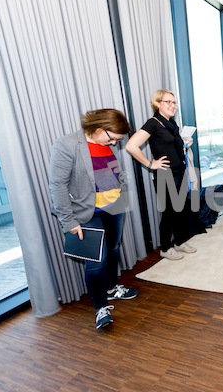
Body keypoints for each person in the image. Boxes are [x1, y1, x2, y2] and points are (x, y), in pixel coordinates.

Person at [49, 108, 138, 329]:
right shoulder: (67, 145)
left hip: (114, 206)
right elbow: (57, 185)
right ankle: (100, 307)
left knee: (114, 249)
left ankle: (111, 287)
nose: (114, 144)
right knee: (97, 261)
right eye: (113, 139)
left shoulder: (105, 141)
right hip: (86, 212)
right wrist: (69, 221)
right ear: (100, 129)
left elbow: (109, 172)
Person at [125, 89, 197, 261]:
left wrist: (185, 145)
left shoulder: (171, 123)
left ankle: (179, 242)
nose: (172, 105)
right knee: (169, 213)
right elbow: (131, 146)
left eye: (174, 102)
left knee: (180, 210)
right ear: (157, 104)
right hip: (166, 176)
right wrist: (151, 164)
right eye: (168, 102)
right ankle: (165, 247)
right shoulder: (153, 123)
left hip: (179, 172)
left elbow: (171, 147)